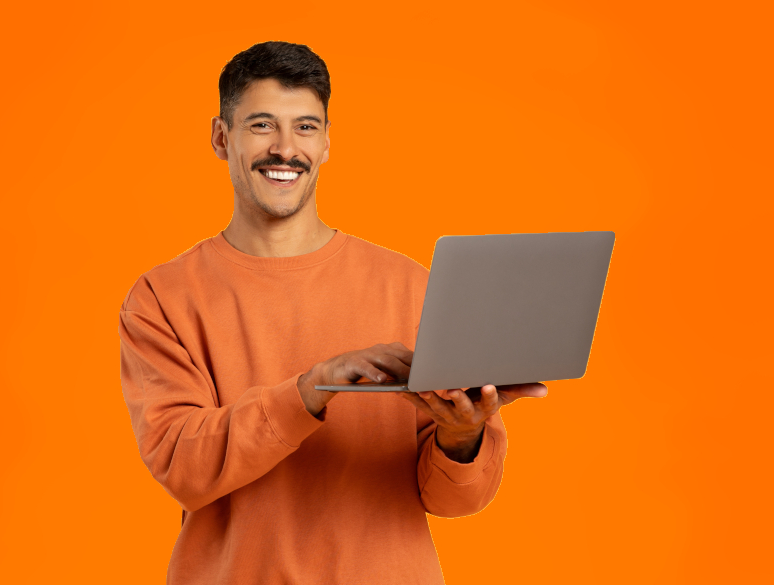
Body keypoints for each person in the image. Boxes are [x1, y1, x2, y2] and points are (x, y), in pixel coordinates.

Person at [118, 41, 548, 585]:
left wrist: (461, 438)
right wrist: (310, 390)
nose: (284, 148)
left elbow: (457, 502)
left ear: (325, 143)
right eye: (260, 125)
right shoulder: (162, 298)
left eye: (304, 127)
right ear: (220, 138)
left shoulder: (408, 284)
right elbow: (183, 467)